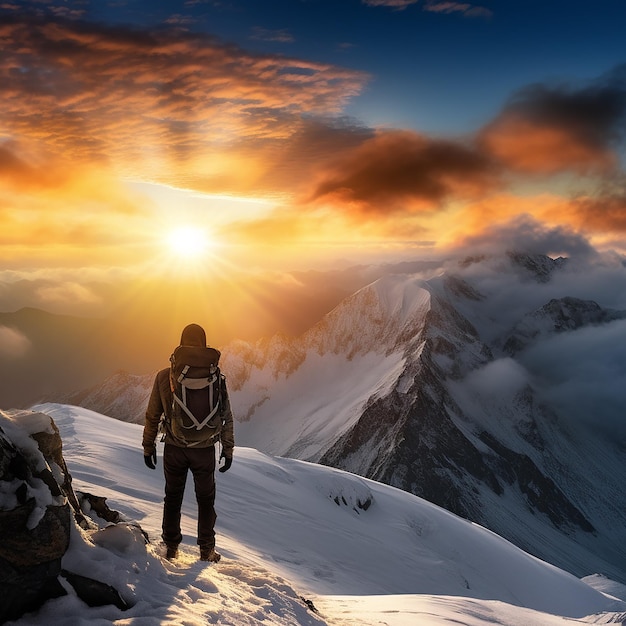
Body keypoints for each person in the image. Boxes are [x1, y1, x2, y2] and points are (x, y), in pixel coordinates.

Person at [142, 323, 234, 562]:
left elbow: (153, 414)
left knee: (173, 497)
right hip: (204, 450)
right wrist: (228, 448)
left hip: (174, 447)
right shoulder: (216, 377)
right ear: (204, 343)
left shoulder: (166, 376)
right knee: (206, 500)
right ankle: (207, 550)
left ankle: (171, 547)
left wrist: (148, 445)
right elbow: (226, 415)